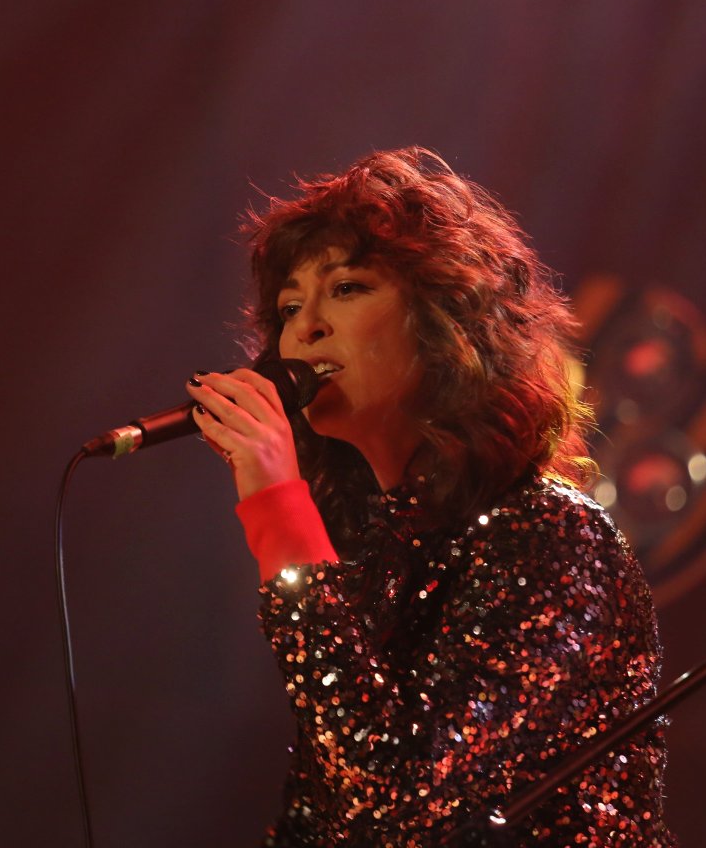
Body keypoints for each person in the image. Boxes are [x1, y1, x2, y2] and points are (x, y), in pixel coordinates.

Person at [185, 148, 677, 847]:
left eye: (347, 288)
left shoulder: (551, 538)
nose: (305, 327)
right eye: (290, 306)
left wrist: (276, 507)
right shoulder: (369, 551)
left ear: (444, 321)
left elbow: (397, 795)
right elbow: (327, 817)